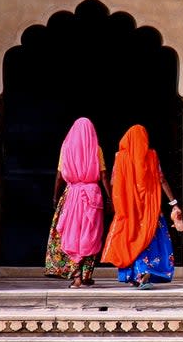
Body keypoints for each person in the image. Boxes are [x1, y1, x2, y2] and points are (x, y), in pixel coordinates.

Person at [101, 124, 183, 289]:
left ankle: (135, 275)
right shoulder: (152, 156)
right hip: (150, 208)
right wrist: (174, 203)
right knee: (149, 241)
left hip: (130, 209)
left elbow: (113, 182)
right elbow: (161, 180)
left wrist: (118, 202)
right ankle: (143, 275)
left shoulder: (120, 157)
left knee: (132, 238)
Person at [44, 117, 111, 288]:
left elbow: (59, 175)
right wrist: (110, 197)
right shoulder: (96, 149)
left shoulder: (66, 148)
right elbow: (103, 175)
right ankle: (86, 275)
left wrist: (55, 196)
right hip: (92, 196)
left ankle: (76, 277)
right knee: (90, 235)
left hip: (71, 195)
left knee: (71, 234)